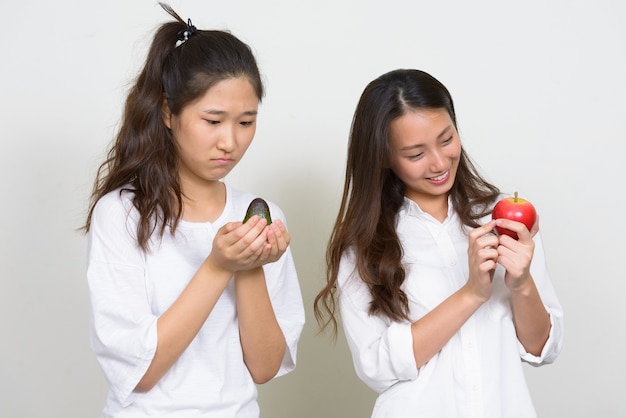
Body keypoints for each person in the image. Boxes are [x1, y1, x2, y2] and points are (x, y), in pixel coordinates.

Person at [83, 4, 305, 417]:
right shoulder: (123, 214)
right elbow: (141, 372)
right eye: (213, 120)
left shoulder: (259, 217)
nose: (230, 142)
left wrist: (250, 264)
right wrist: (219, 266)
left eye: (246, 122)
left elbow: (264, 366)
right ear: (168, 112)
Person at [314, 69, 563, 417]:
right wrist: (472, 292)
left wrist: (520, 283)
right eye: (415, 154)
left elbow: (541, 349)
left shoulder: (503, 218)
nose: (439, 162)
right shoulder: (364, 245)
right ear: (384, 156)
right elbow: (376, 368)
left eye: (446, 140)